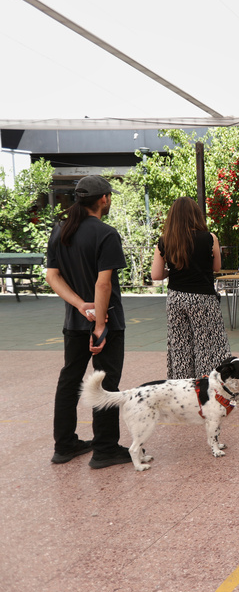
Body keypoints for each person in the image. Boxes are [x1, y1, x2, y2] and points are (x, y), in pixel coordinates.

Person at [45, 174, 133, 468]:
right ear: (104, 199)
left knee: (70, 379)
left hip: (74, 321)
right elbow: (103, 285)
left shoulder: (60, 231)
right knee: (105, 381)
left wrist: (80, 306)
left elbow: (52, 277)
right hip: (106, 322)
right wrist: (99, 326)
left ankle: (65, 444)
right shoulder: (106, 234)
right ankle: (106, 448)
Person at [151, 198, 239, 401]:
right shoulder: (209, 238)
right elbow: (215, 267)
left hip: (175, 298)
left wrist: (174, 270)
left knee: (180, 346)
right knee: (211, 346)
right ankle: (219, 392)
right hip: (202, 298)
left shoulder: (165, 240)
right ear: (195, 215)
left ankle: (182, 394)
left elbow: (156, 275)